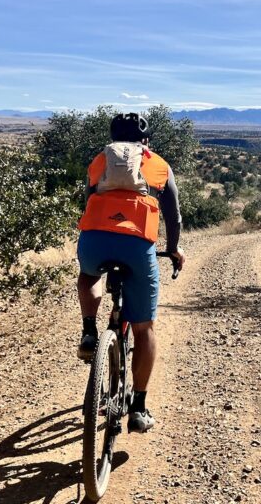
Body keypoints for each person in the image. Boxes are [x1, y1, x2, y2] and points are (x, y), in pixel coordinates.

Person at [76, 112, 185, 434]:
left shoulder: (99, 161)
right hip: (137, 247)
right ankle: (138, 407)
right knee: (144, 328)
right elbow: (173, 215)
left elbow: (88, 201)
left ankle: (88, 331)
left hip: (94, 239)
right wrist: (174, 248)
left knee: (88, 276)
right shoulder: (159, 165)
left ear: (112, 138)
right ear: (146, 141)